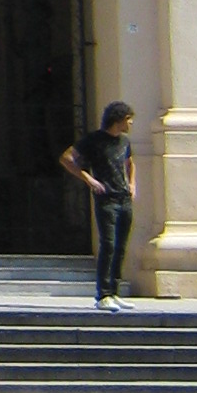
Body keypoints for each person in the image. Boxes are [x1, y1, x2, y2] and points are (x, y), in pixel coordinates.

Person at [60, 101, 137, 307]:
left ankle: (114, 290)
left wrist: (132, 184)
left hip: (124, 198)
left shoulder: (124, 141)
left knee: (121, 246)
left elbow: (130, 163)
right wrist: (89, 179)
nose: (130, 123)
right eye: (128, 119)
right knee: (109, 244)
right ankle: (103, 295)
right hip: (106, 199)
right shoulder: (94, 140)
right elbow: (67, 158)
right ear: (119, 120)